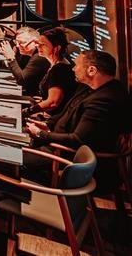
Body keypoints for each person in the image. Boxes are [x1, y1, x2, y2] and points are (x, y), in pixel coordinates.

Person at [24, 50, 131, 188]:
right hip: (56, 143)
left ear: (92, 70)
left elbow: (78, 140)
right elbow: (66, 114)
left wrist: (41, 134)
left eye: (77, 65)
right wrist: (46, 124)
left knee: (4, 161)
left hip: (64, 154)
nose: (73, 69)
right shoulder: (90, 88)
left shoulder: (105, 99)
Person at [25, 27, 76, 117]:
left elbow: (53, 102)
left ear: (57, 48)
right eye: (38, 44)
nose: (38, 47)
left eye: (43, 45)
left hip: (53, 120)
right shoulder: (55, 65)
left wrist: (28, 111)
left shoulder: (59, 69)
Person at [0, 26, 50, 96]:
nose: (18, 46)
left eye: (21, 42)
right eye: (16, 42)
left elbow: (22, 80)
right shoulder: (29, 54)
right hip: (31, 92)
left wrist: (11, 58)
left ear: (35, 42)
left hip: (37, 96)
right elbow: (19, 70)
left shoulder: (39, 57)